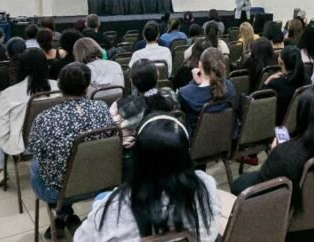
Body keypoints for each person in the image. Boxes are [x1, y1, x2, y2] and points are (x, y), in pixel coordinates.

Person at [231, 89, 314, 242]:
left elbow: (263, 196)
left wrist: (276, 152)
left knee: (239, 185)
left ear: (301, 115)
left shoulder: (286, 155)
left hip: (291, 231)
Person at [74, 115, 220, 241]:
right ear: (185, 155)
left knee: (101, 198)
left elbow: (80, 239)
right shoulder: (206, 187)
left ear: (138, 157)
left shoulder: (114, 208)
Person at [28, 63, 114, 238]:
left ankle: (63, 214)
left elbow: (34, 150)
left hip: (58, 192)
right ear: (87, 86)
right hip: (102, 183)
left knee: (36, 164)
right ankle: (66, 216)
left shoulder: (45, 118)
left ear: (59, 86)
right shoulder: (102, 109)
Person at [0, 48, 57, 187]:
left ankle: (0, 169)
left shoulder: (8, 93)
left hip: (23, 144)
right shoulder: (58, 87)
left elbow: (0, 130)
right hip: (53, 140)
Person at [109, 59, 175, 151]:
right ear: (158, 75)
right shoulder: (171, 95)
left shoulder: (124, 107)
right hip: (170, 148)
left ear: (131, 81)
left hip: (140, 154)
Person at [178, 48, 237, 135]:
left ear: (199, 64)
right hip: (224, 141)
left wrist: (193, 83)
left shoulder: (185, 94)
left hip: (196, 145)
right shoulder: (230, 87)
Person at [263, 45, 310, 125]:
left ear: (281, 61)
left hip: (276, 123)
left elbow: (259, 104)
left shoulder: (275, 83)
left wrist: (267, 80)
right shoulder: (307, 78)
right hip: (299, 122)